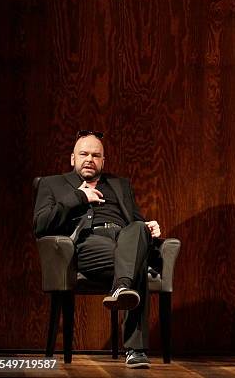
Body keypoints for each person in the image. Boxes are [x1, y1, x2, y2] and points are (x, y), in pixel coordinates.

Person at [33, 130, 161, 369]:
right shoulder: (52, 184)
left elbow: (135, 221)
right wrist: (79, 197)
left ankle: (121, 286)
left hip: (124, 238)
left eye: (95, 155)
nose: (89, 159)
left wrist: (148, 227)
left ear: (103, 160)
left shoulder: (120, 185)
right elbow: (40, 225)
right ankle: (135, 349)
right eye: (84, 154)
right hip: (86, 243)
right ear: (73, 158)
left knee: (137, 230)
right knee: (138, 263)